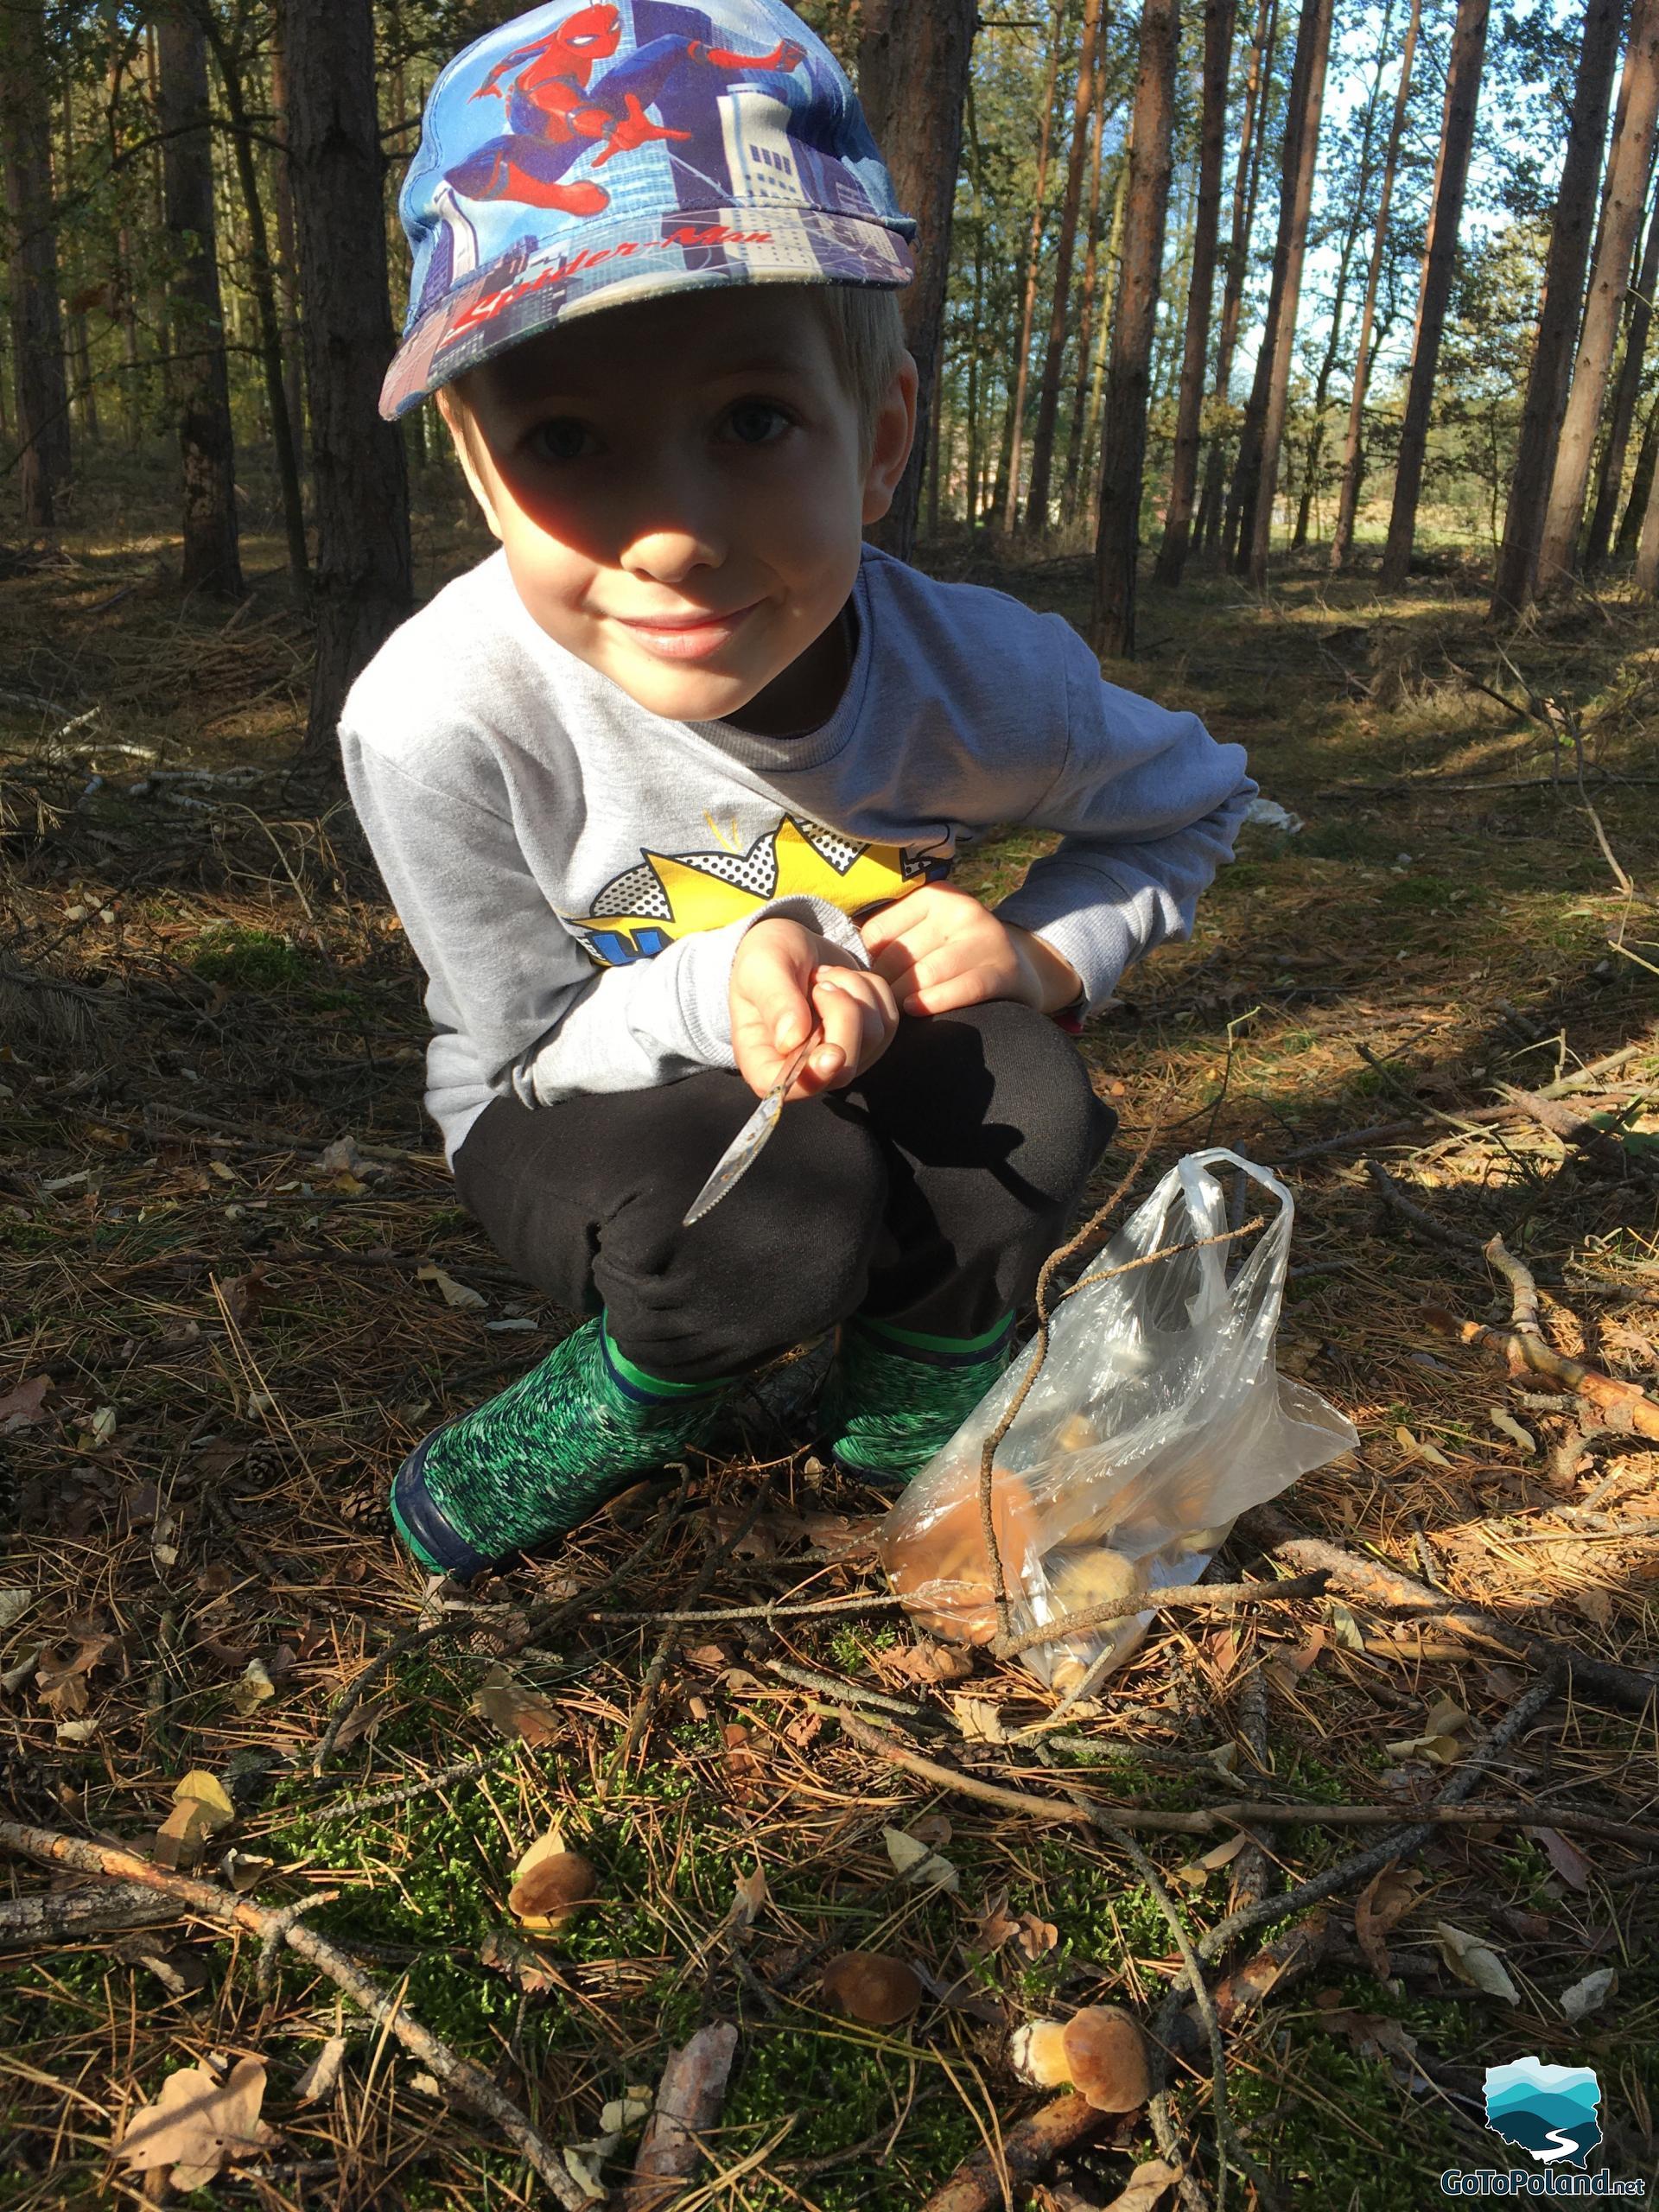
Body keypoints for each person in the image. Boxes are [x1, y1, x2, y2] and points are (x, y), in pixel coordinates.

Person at [343, 0, 1254, 1580]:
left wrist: (1046, 952)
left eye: (753, 421)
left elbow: (1195, 800)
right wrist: (721, 986)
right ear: (483, 474)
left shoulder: (987, 682)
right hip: (579, 1105)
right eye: (566, 438)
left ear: (878, 437)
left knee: (1029, 1091)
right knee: (791, 1201)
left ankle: (905, 1402)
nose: (674, 533)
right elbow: (523, 1046)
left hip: (861, 1053)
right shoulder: (438, 717)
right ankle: (636, 1395)